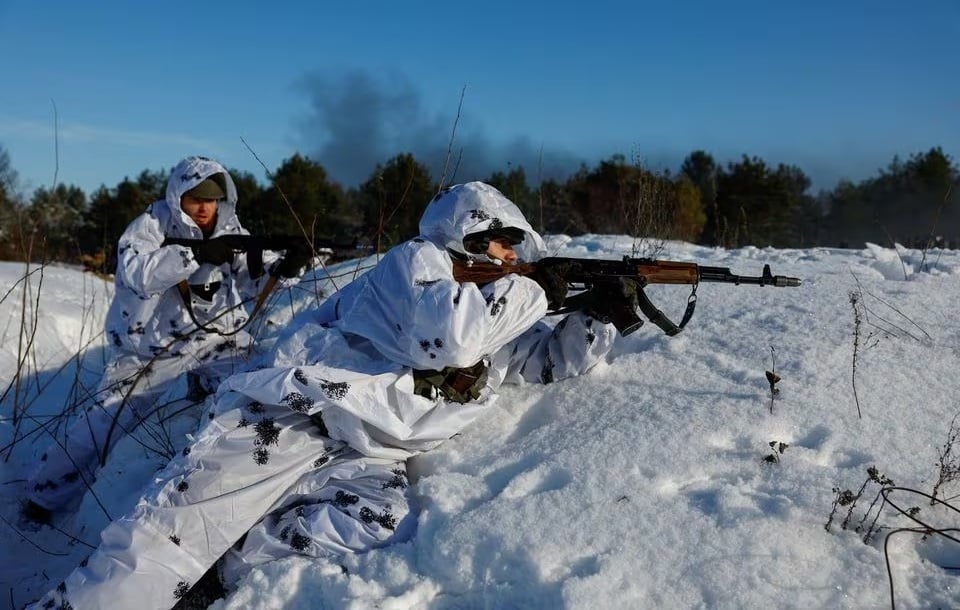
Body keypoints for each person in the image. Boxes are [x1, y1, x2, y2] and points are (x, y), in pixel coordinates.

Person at [29, 181, 634, 610]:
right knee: (160, 546)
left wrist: (606, 317)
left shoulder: (497, 309)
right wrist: (536, 294)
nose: (508, 258)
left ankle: (225, 570)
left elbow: (546, 362)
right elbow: (447, 338)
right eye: (500, 244)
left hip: (364, 453)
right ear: (470, 235)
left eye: (515, 249)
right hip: (291, 415)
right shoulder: (416, 264)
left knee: (378, 520)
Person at [22, 155, 311, 525]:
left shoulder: (228, 226)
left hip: (213, 343)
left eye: (212, 199)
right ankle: (43, 495)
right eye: (196, 198)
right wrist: (193, 254)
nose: (205, 207)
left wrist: (285, 267)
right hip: (150, 350)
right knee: (104, 421)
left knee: (260, 383)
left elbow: (252, 277)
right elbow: (136, 273)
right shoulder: (150, 226)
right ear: (179, 197)